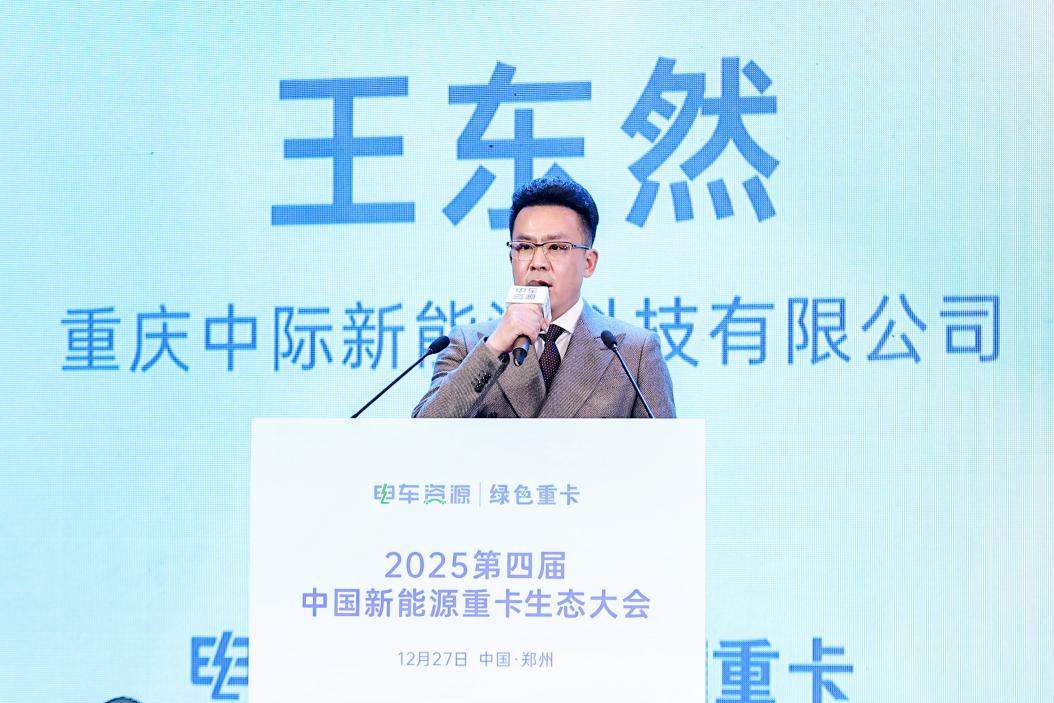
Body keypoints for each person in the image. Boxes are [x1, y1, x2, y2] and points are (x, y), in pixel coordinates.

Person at [413, 177, 675, 418]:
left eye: (557, 247)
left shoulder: (633, 352)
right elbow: (424, 434)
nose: (537, 262)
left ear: (589, 262)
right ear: (511, 258)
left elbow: (665, 450)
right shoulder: (468, 344)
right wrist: (494, 348)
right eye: (525, 247)